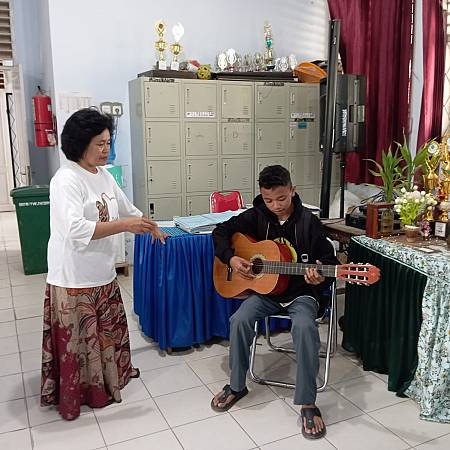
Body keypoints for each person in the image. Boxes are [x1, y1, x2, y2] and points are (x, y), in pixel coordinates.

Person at [41, 108, 167, 420]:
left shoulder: (104, 175)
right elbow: (75, 229)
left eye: (108, 142)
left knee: (105, 333)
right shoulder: (66, 180)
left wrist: (150, 225)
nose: (105, 149)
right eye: (99, 144)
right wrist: (125, 225)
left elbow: (127, 208)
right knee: (82, 339)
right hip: (74, 275)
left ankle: (112, 378)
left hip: (102, 270)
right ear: (79, 143)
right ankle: (85, 392)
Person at [211, 165, 339, 440]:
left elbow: (330, 262)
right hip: (267, 294)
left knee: (304, 327)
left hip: (301, 294)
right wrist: (231, 258)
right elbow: (220, 232)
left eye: (281, 198)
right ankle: (236, 386)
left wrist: (321, 276)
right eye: (268, 199)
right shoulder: (257, 215)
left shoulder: (309, 223)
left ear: (292, 190)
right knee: (239, 320)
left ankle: (307, 402)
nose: (276, 205)